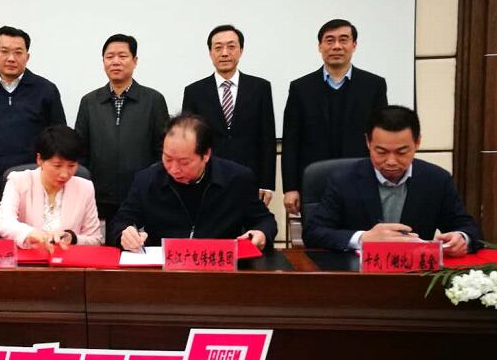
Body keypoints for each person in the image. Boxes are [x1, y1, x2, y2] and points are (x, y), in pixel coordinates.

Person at [302, 106, 481, 255]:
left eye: (402, 152)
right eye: (381, 152)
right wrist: (363, 238)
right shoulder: (343, 179)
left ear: (417, 143)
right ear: (368, 143)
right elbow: (313, 233)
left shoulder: (437, 180)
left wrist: (461, 238)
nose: (391, 161)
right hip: (357, 275)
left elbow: (468, 228)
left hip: (415, 275)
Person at [109, 114, 277, 251]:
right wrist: (125, 234)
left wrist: (261, 233)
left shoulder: (237, 179)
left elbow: (265, 221)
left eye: (184, 162)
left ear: (206, 155)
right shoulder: (147, 180)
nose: (174, 169)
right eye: (168, 159)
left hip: (220, 269)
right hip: (163, 271)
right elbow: (119, 222)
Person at [281, 18, 387, 215]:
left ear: (354, 45)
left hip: (362, 179)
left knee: (361, 232)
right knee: (317, 232)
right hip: (314, 183)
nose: (336, 46)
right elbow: (291, 141)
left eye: (343, 39)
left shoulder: (374, 85)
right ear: (320, 46)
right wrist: (290, 188)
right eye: (329, 40)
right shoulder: (301, 88)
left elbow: (381, 137)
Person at [0, 25, 66, 218]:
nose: (11, 58)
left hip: (37, 183)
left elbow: (59, 139)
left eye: (18, 52)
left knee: (37, 234)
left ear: (27, 56)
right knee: (1, 234)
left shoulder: (46, 90)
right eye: (4, 51)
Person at [74, 33, 169, 222]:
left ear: (135, 61)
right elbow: (80, 151)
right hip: (98, 197)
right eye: (109, 57)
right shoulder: (89, 102)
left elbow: (163, 150)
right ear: (103, 62)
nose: (115, 62)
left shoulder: (153, 100)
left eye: (123, 56)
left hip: (143, 195)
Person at [182, 25, 276, 205]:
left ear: (241, 50)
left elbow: (267, 138)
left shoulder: (260, 88)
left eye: (231, 46)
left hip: (250, 179)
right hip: (207, 180)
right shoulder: (194, 92)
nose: (225, 53)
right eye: (218, 48)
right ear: (210, 53)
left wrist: (267, 183)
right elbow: (190, 140)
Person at [0, 125, 101, 250]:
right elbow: (3, 222)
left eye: (71, 166)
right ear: (39, 159)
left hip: (67, 259)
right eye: (57, 166)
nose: (64, 174)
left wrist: (72, 238)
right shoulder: (19, 181)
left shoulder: (84, 187)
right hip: (27, 258)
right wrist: (32, 234)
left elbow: (95, 239)